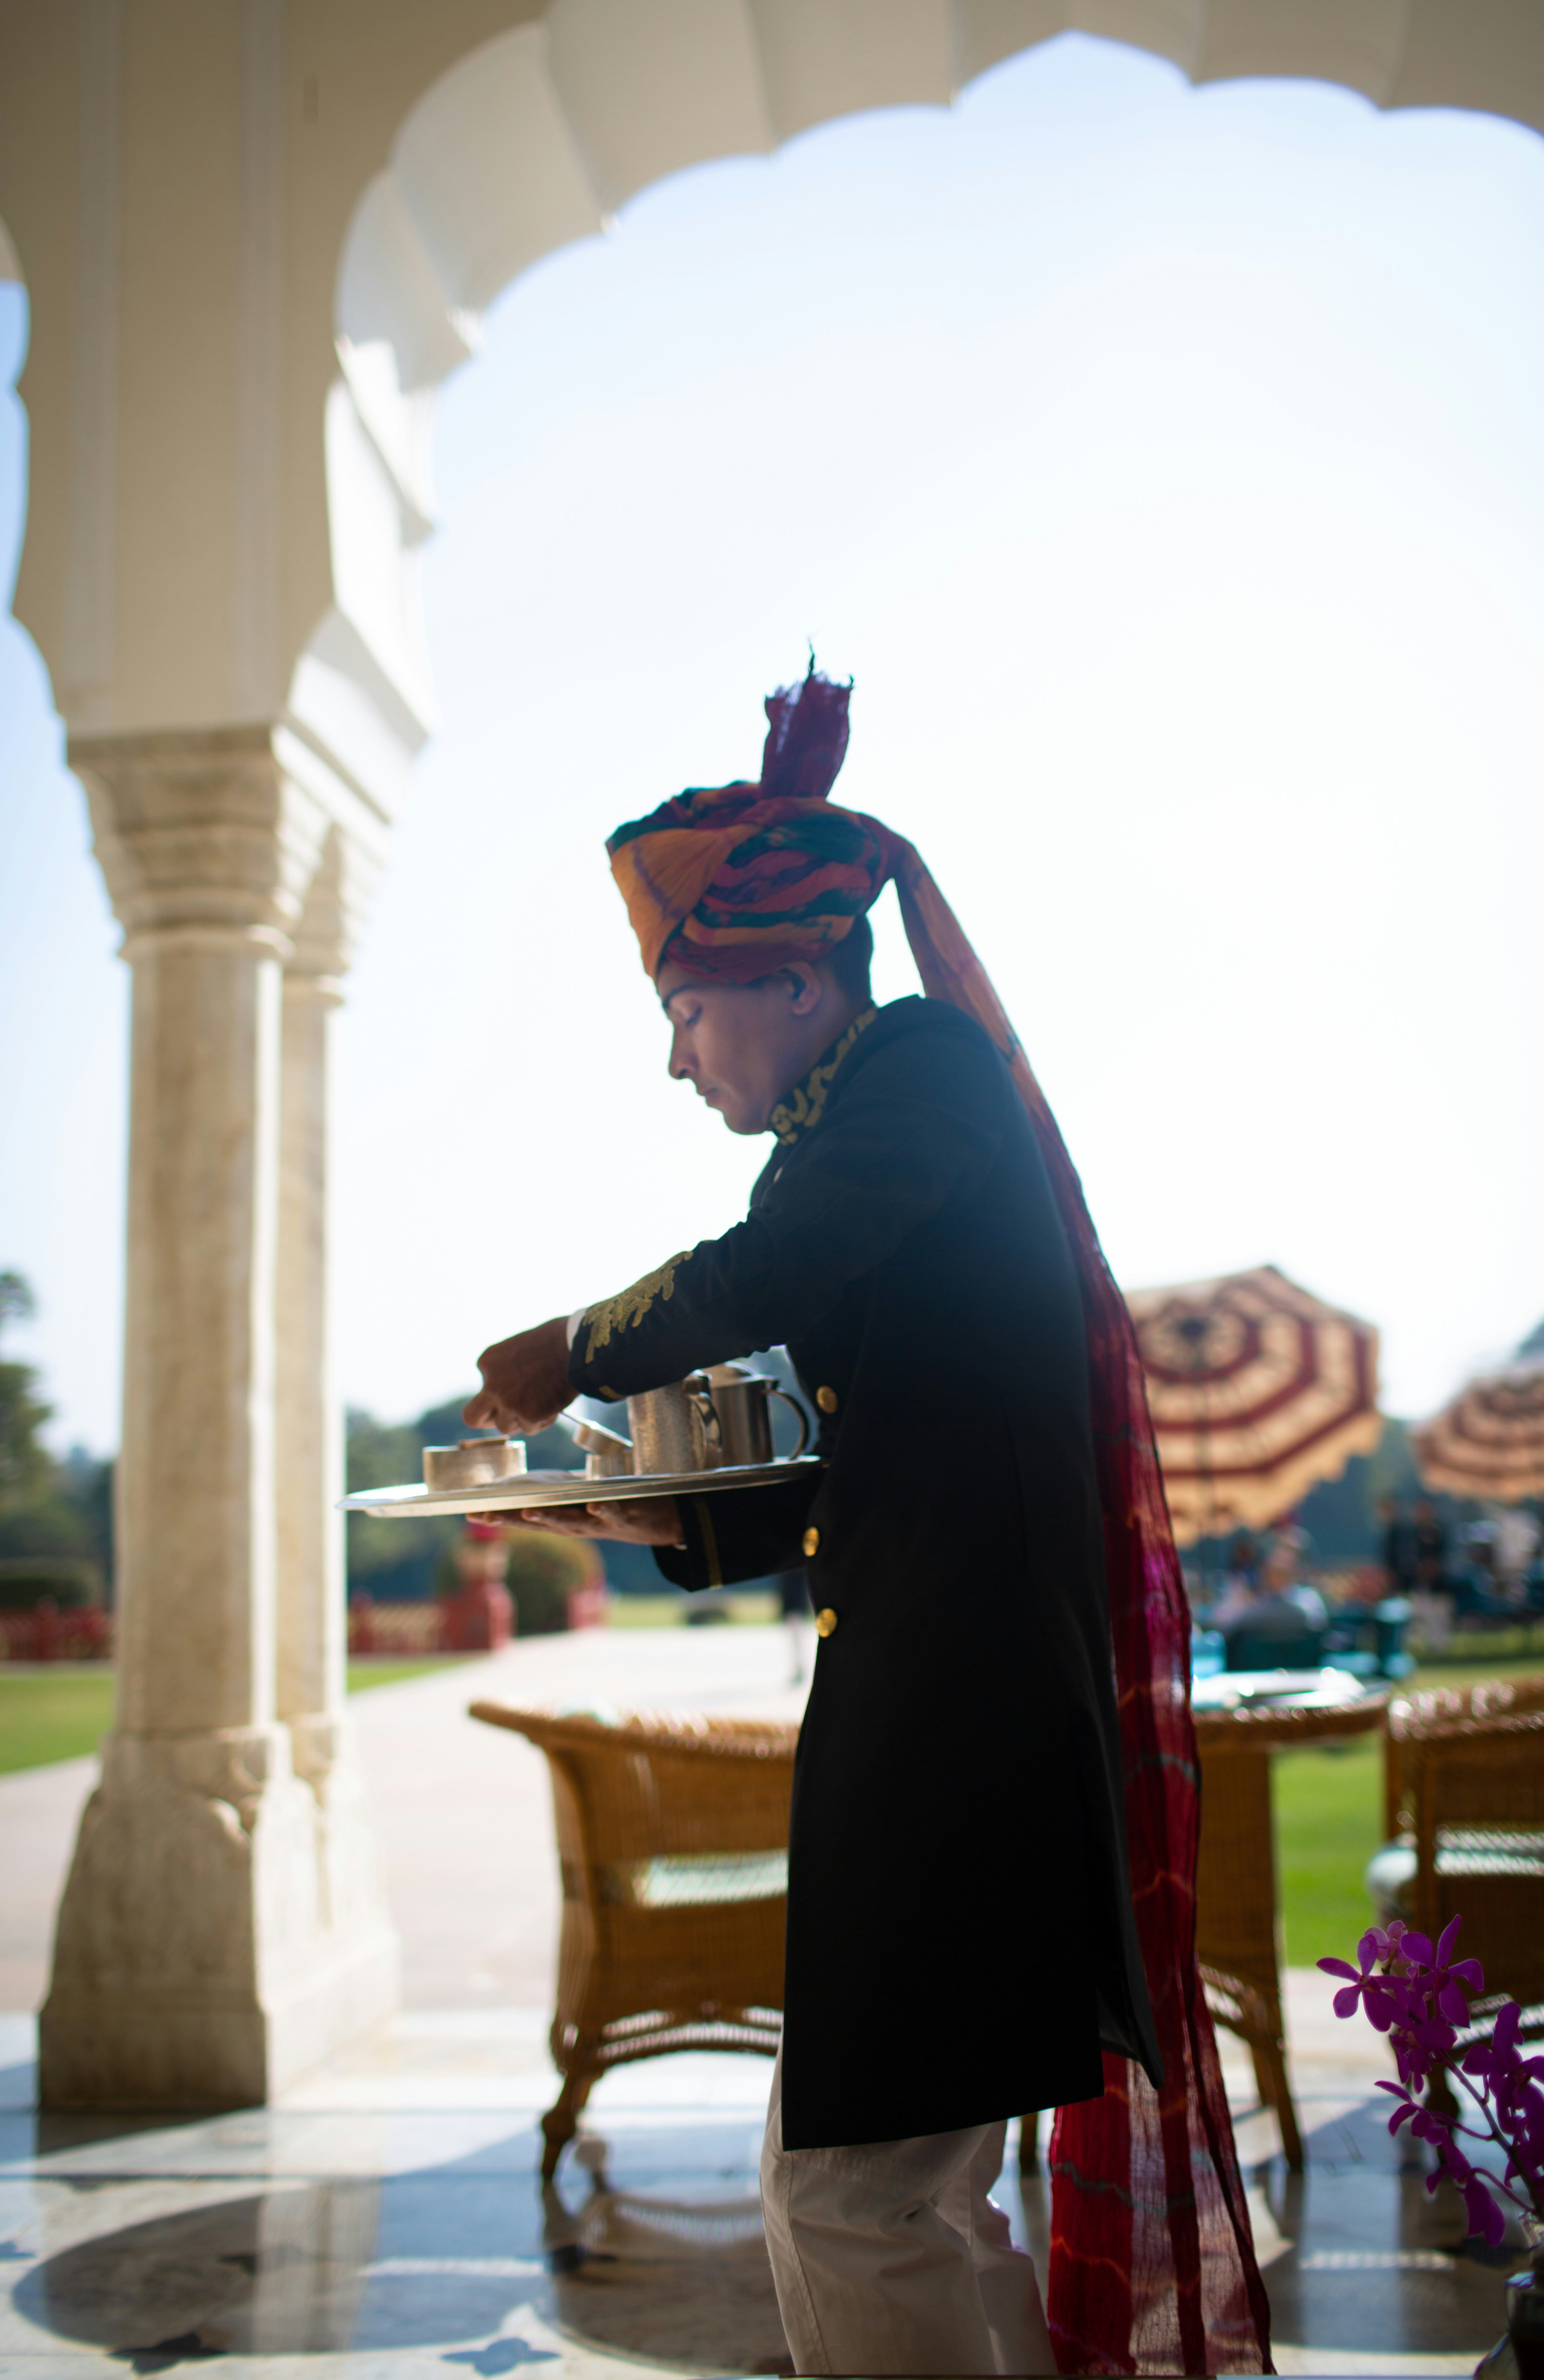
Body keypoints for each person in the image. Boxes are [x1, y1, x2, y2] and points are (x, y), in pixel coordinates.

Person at [465, 665, 1268, 2377]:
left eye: (689, 1017)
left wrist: (569, 1353)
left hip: (962, 1730)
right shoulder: (852, 1132)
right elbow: (862, 1458)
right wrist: (638, 1522)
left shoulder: (920, 1076)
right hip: (929, 1722)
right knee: (887, 2198)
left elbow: (776, 1278)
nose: (681, 1063)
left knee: (851, 2200)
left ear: (799, 980)